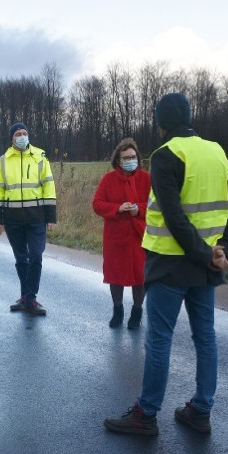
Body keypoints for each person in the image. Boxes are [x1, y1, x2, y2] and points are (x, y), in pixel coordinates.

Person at [104, 92, 228, 436]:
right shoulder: (216, 152)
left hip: (170, 263)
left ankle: (146, 414)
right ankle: (201, 409)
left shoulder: (166, 154)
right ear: (190, 116)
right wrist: (222, 250)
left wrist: (205, 253)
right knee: (205, 338)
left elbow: (174, 216)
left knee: (160, 340)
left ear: (160, 123)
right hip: (207, 266)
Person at [0, 122, 57, 316]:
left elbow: (49, 187)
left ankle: (30, 298)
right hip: (13, 219)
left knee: (35, 255)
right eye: (17, 134)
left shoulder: (40, 158)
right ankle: (26, 297)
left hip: (36, 217)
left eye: (24, 133)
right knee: (21, 258)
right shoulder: (2, 161)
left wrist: (51, 216)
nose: (21, 136)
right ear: (11, 138)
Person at [92, 138, 151, 329]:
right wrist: (117, 208)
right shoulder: (108, 180)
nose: (130, 160)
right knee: (115, 276)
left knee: (139, 277)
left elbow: (158, 206)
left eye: (133, 157)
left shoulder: (146, 179)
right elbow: (97, 204)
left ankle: (137, 311)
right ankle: (117, 310)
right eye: (126, 157)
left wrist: (139, 210)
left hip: (139, 236)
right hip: (115, 237)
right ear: (118, 160)